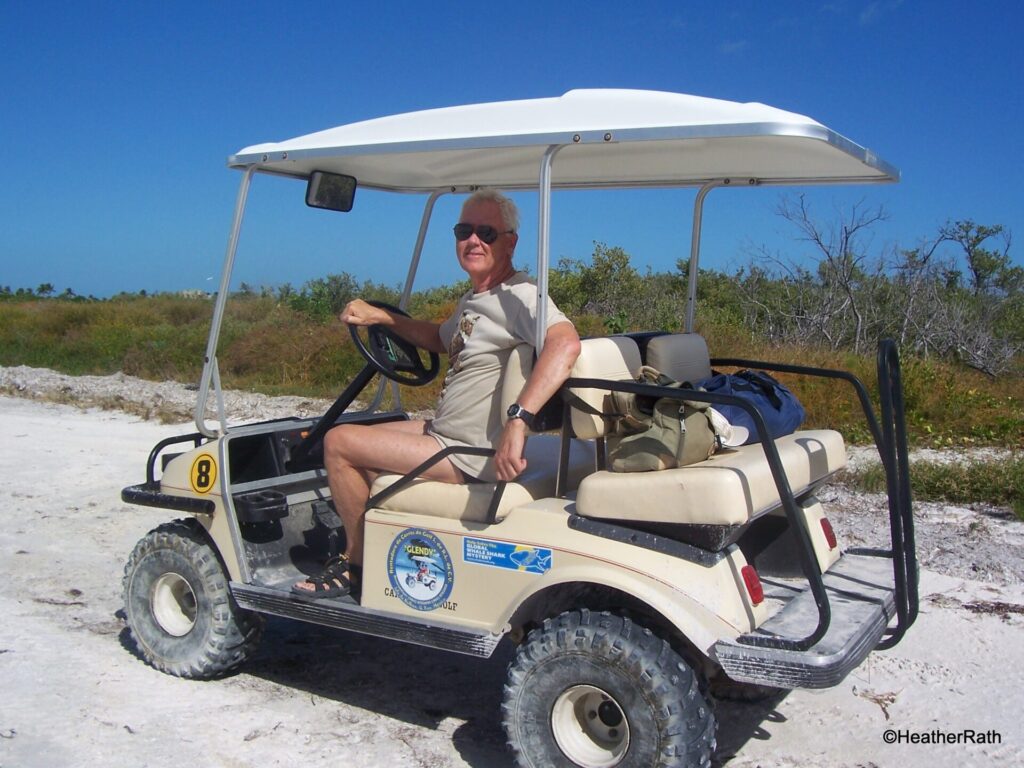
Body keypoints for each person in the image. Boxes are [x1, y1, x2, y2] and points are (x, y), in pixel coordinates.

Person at [293, 189, 581, 598]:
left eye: (486, 232)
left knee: (338, 443)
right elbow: (439, 338)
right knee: (377, 427)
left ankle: (355, 564)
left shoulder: (520, 296)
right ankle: (387, 536)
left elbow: (566, 344)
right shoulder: (478, 298)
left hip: (467, 455)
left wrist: (519, 420)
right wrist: (383, 317)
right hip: (446, 434)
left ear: (510, 242)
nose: (473, 240)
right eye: (464, 231)